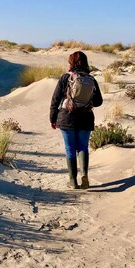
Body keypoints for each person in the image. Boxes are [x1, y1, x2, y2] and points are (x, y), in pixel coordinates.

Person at [49, 51, 103, 189]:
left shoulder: (65, 78)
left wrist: (53, 118)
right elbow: (98, 102)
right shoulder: (91, 80)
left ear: (71, 63)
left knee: (70, 149)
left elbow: (55, 100)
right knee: (83, 147)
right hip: (86, 117)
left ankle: (73, 181)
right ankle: (84, 174)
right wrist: (86, 100)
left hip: (67, 117)